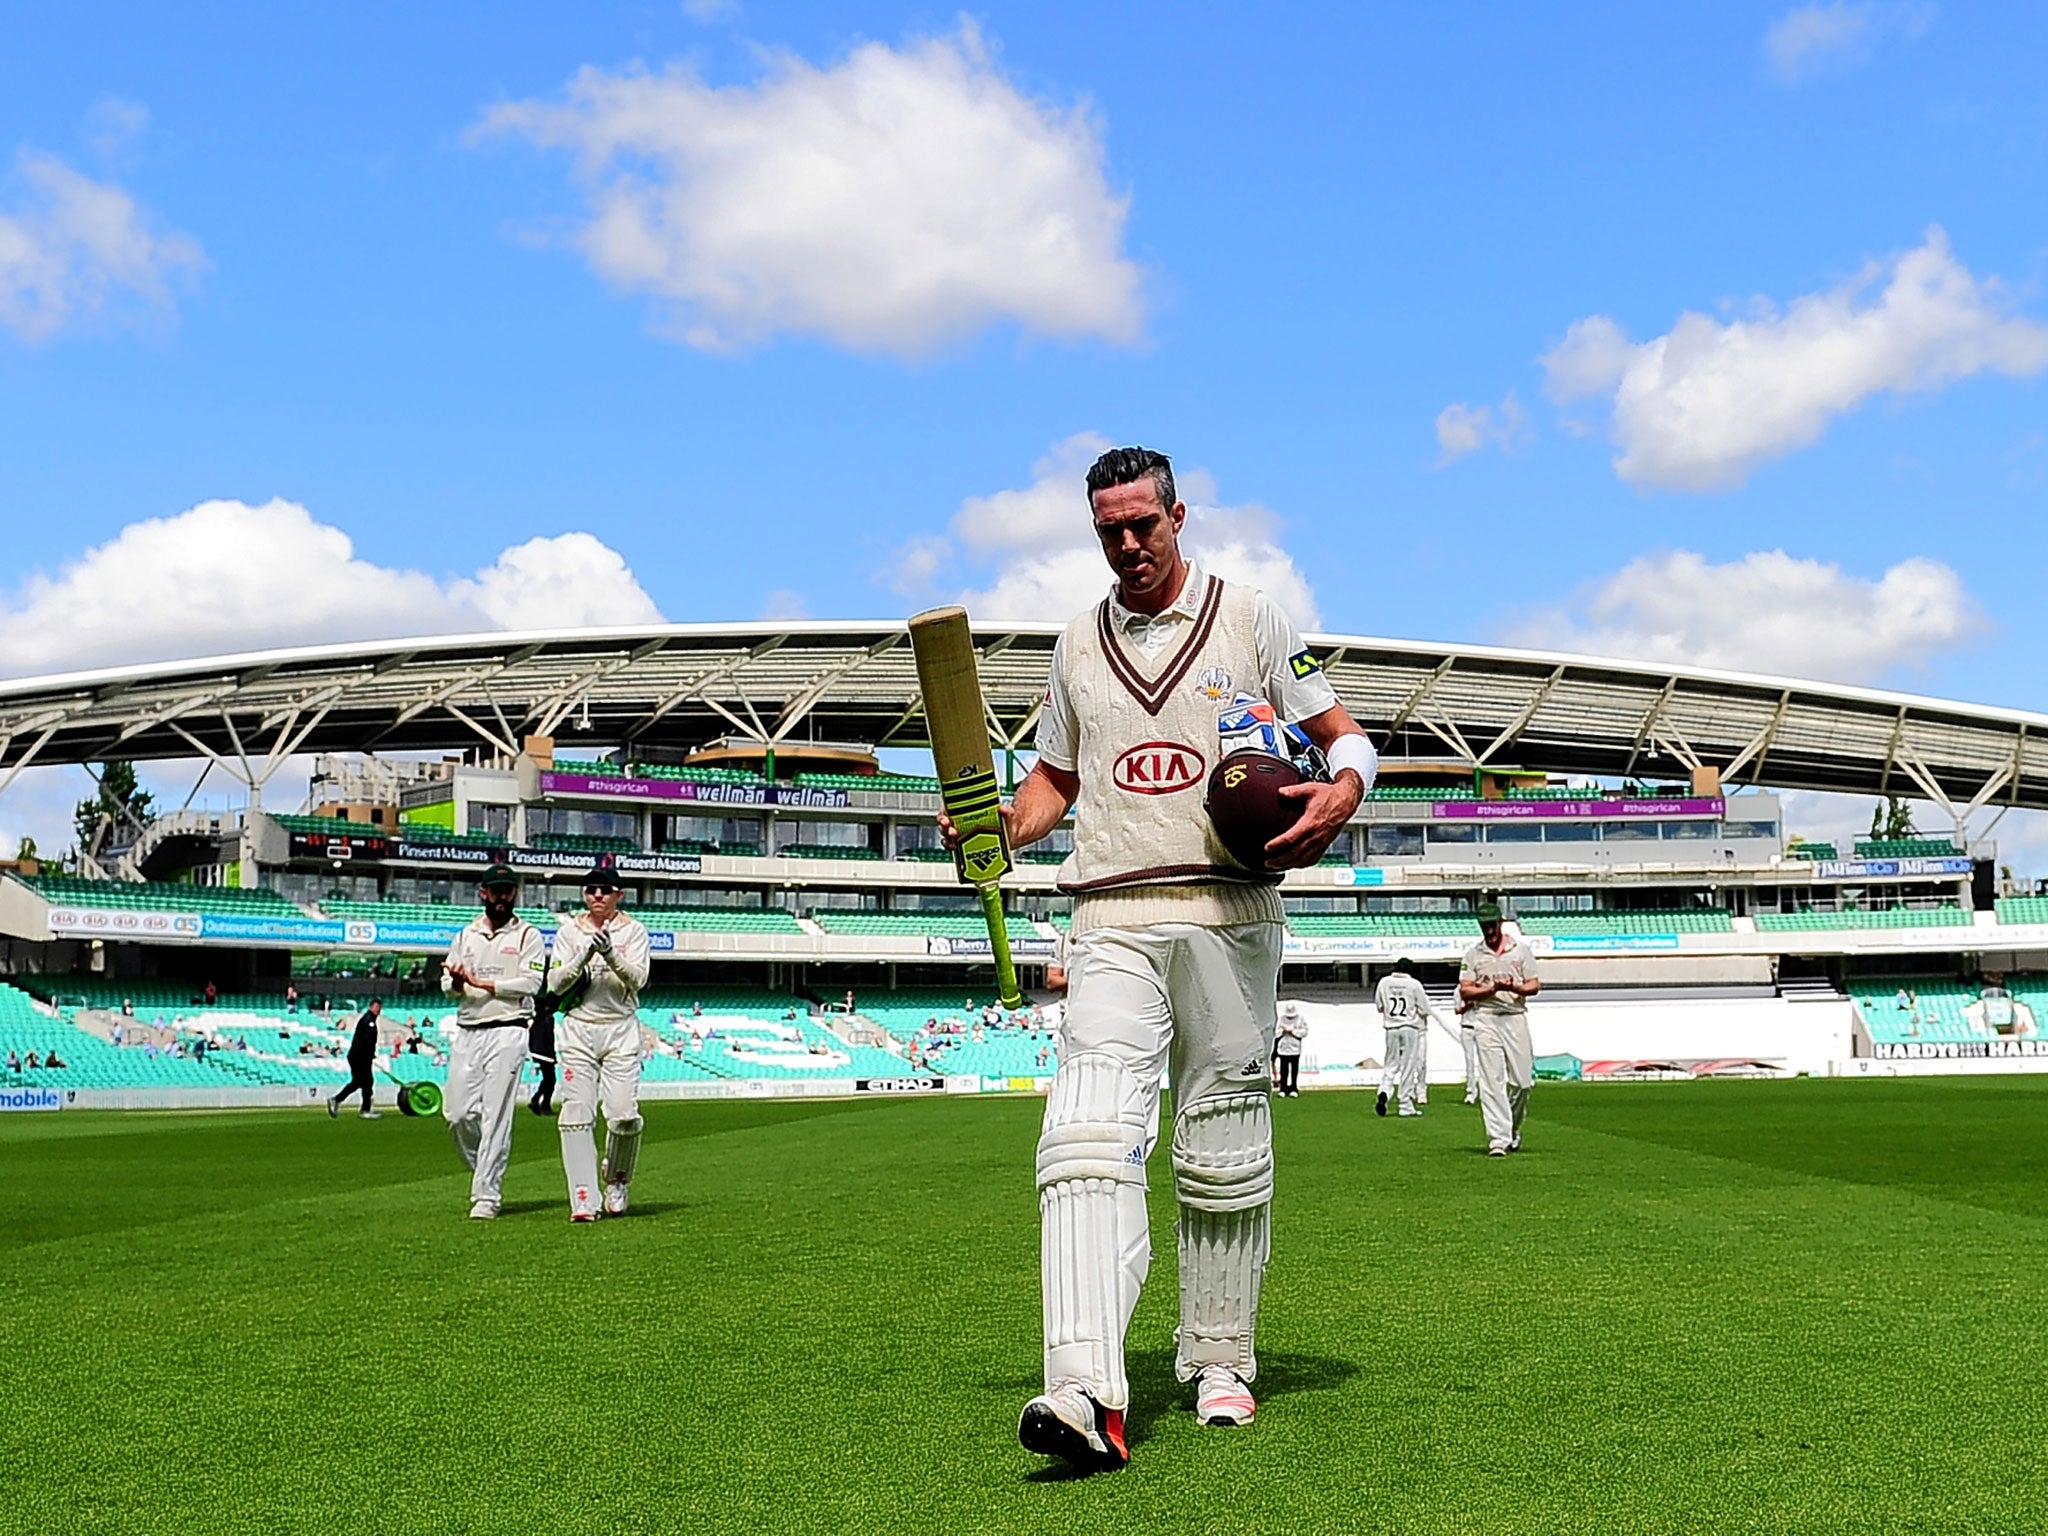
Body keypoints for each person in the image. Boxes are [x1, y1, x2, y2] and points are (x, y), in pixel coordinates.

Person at [941, 445, 1378, 1472]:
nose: (1127, 544)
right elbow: (1055, 778)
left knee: (1220, 1149)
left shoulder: (1251, 615)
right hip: (1109, 915)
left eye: (1143, 524)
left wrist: (1343, 792)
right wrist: (1002, 831)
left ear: (1178, 517)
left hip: (1230, 908)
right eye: (1108, 529)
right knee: (1084, 1137)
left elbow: (1343, 735)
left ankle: (1219, 1357)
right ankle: (1084, 1389)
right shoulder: (1075, 645)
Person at [546, 856, 651, 1221]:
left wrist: (609, 953)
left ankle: (617, 1180)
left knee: (623, 1117)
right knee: (575, 1114)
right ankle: (584, 1198)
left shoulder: (634, 932)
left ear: (618, 895)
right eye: (591, 889)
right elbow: (555, 984)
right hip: (578, 1028)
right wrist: (586, 953)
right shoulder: (569, 932)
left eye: (605, 890)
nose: (597, 895)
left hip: (620, 1028)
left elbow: (637, 979)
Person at [441, 863, 546, 1219]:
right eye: (495, 890)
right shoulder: (466, 934)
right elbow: (448, 987)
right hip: (469, 1029)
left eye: (508, 890)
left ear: (514, 894)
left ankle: (487, 1194)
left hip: (509, 1028)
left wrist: (484, 984)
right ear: (483, 893)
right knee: (456, 1115)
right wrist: (459, 982)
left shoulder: (527, 935)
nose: (502, 897)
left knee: (496, 1116)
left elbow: (531, 984)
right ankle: (485, 1170)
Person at [1459, 901, 1540, 1156]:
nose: (1489, 930)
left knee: (1523, 1082)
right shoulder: (1473, 954)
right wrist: (1490, 990)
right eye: (1484, 926)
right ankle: (1497, 1138)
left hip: (1515, 1016)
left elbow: (1534, 985)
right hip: (1486, 1017)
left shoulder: (1521, 951)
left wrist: (1513, 988)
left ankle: (1512, 1130)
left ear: (1500, 923)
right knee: (1492, 1080)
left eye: (1492, 925)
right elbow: (1465, 989)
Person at [1373, 958, 1446, 1118]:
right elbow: (1425, 1009)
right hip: (1410, 1027)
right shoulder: (1414, 984)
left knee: (1390, 1064)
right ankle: (1405, 1104)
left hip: (1390, 1027)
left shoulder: (1384, 982)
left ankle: (1384, 1090)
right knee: (1408, 1066)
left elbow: (1379, 1006)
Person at [329, 999, 384, 1119]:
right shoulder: (369, 1021)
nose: (378, 1010)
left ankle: (337, 1100)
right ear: (370, 1007)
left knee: (359, 1082)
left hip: (358, 1056)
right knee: (367, 1082)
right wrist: (370, 1054)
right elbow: (368, 1040)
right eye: (376, 1007)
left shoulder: (368, 1019)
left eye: (379, 1007)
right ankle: (365, 1110)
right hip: (360, 1057)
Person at [528, 984, 558, 1117]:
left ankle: (539, 1102)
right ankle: (541, 1102)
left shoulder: (538, 1019)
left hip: (540, 1050)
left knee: (548, 1079)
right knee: (550, 1079)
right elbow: (548, 1038)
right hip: (545, 1052)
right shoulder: (546, 1019)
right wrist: (551, 1054)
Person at [1273, 1001, 1307, 1097]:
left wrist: (1292, 1032)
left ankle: (1293, 1088)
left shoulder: (1300, 1019)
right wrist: (1283, 1031)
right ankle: (1283, 1089)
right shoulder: (1281, 1019)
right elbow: (1276, 1032)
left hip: (1295, 1049)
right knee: (1284, 1070)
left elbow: (1304, 1032)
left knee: (1294, 1070)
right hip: (1283, 1048)